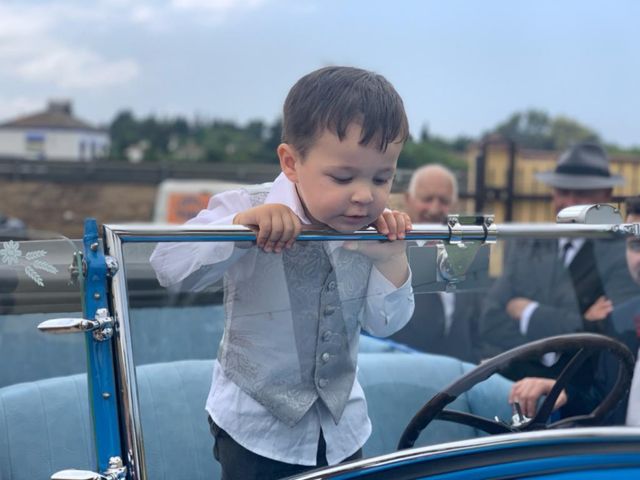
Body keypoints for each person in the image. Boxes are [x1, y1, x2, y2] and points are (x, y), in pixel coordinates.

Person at [150, 66, 415, 480]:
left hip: (344, 429)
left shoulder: (374, 229)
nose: (364, 195)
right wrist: (241, 228)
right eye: (342, 177)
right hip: (255, 430)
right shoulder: (244, 205)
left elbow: (386, 325)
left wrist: (391, 259)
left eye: (382, 177)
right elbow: (167, 268)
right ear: (291, 162)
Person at [478, 142, 640, 381]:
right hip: (514, 385)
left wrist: (529, 312)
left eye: (582, 193)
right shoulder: (528, 246)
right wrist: (579, 322)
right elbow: (490, 321)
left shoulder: (627, 254)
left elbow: (608, 333)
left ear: (606, 195)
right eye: (563, 191)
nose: (570, 202)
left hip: (583, 397)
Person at [509, 196, 640, 424]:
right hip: (617, 457)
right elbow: (604, 400)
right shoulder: (622, 319)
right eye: (635, 244)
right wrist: (559, 391)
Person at [390, 164, 483, 362]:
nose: (434, 209)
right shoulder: (389, 252)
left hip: (460, 381)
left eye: (443, 201)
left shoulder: (467, 250)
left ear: (455, 205)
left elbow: (476, 326)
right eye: (427, 199)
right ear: (408, 200)